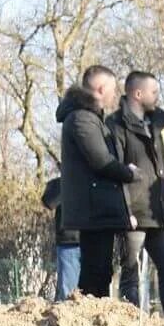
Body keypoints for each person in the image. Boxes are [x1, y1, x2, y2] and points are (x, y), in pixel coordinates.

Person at [56, 65, 137, 299]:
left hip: (99, 208)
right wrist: (129, 173)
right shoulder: (82, 119)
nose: (115, 95)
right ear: (101, 89)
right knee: (95, 273)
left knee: (101, 270)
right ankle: (86, 320)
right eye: (113, 89)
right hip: (93, 209)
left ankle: (91, 316)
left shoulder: (92, 119)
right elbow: (100, 160)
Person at [110, 70, 164, 315]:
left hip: (158, 213)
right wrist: (124, 209)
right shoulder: (116, 125)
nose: (157, 97)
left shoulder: (155, 126)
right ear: (138, 94)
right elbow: (115, 170)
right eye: (154, 92)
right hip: (133, 215)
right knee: (131, 273)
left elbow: (162, 170)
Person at [41, 176, 80, 299]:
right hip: (69, 242)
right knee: (68, 293)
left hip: (91, 242)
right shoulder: (63, 182)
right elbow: (48, 201)